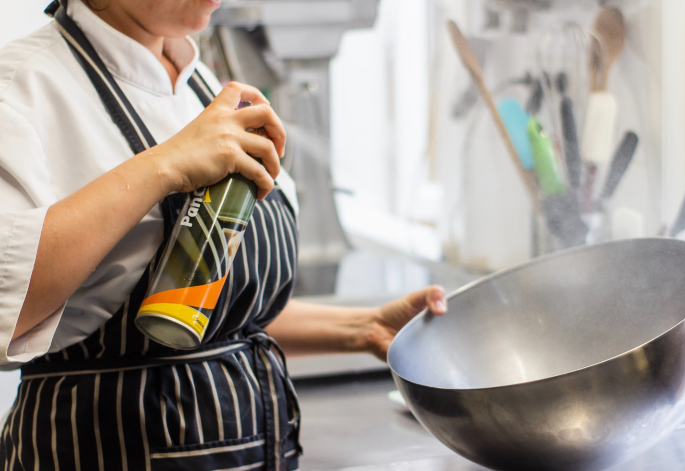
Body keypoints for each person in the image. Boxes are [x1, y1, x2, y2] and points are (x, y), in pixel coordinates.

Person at [0, 0, 447, 469]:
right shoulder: (23, 89)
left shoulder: (201, 86)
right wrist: (166, 164)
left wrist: (360, 329)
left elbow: (200, 306)